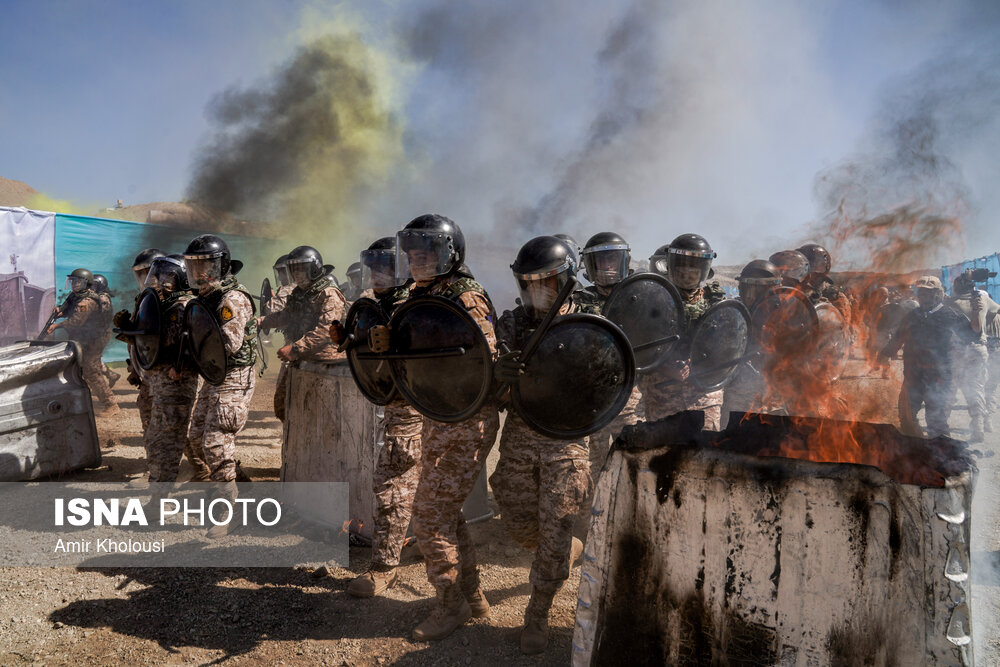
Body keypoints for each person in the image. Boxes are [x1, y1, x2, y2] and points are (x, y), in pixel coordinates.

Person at [369, 214, 500, 641]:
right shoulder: (416, 295)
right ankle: (472, 594)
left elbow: (486, 361)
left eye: (426, 254)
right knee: (447, 514)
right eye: (411, 255)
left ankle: (450, 605)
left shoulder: (467, 296)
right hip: (437, 416)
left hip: (467, 418)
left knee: (426, 518)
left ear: (449, 254)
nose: (417, 262)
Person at [489, 236, 590, 654]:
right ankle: (566, 548)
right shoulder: (512, 324)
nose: (539, 293)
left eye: (548, 284)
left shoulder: (590, 324)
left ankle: (539, 611)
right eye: (530, 285)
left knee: (557, 523)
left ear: (565, 280)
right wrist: (501, 373)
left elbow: (609, 382)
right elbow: (488, 389)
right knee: (513, 510)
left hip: (566, 439)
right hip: (521, 433)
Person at [343, 237, 424, 599]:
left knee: (391, 485)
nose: (376, 274)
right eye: (372, 266)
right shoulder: (380, 304)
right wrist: (351, 339)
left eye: (385, 267)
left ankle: (383, 568)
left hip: (412, 406)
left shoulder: (413, 305)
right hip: (398, 403)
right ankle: (423, 539)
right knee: (420, 483)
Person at [183, 234, 258, 538]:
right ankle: (244, 493)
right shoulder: (205, 298)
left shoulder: (232, 299)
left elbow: (229, 343)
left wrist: (190, 348)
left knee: (215, 442)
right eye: (194, 266)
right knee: (196, 436)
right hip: (215, 375)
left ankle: (227, 511)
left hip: (234, 376)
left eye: (206, 266)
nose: (199, 272)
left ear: (222, 266)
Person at [640, 233, 727, 428]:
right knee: (666, 453)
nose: (687, 273)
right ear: (671, 265)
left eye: (693, 267)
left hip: (706, 394)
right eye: (682, 267)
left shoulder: (716, 303)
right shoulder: (651, 301)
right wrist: (663, 367)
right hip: (663, 395)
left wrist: (701, 361)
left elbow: (728, 348)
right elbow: (638, 347)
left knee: (707, 452)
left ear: (704, 269)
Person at [573, 232, 643, 472]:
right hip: (592, 399)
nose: (607, 266)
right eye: (601, 261)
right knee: (594, 465)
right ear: (591, 266)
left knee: (634, 459)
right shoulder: (578, 301)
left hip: (629, 396)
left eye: (612, 259)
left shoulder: (640, 296)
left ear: (623, 261)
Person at [878, 276, 975, 438]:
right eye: (921, 292)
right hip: (912, 376)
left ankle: (942, 453)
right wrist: (884, 354)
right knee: (906, 415)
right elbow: (898, 338)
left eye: (928, 292)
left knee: (936, 420)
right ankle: (915, 446)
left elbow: (970, 336)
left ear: (938, 294)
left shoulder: (950, 315)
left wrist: (977, 314)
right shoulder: (912, 315)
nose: (923, 295)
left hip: (938, 378)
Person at [258, 245, 346, 422]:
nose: (297, 274)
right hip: (302, 357)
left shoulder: (329, 294)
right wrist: (262, 322)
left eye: (301, 269)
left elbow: (326, 330)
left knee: (317, 413)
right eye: (294, 270)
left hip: (324, 363)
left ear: (314, 268)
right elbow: (286, 316)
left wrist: (296, 348)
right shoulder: (299, 294)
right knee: (284, 406)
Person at [140, 255, 200, 482]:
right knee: (159, 439)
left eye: (167, 275)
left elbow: (180, 343)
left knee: (168, 443)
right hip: (160, 381)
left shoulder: (185, 305)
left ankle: (159, 502)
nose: (159, 280)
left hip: (177, 381)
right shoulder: (161, 302)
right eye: (158, 274)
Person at [48, 268, 119, 415]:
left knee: (91, 370)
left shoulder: (87, 301)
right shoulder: (77, 296)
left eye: (78, 281)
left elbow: (75, 322)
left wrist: (57, 325)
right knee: (83, 365)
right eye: (72, 281)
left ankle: (110, 404)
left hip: (96, 338)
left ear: (86, 283)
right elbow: (69, 309)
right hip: (87, 336)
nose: (74, 284)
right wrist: (61, 311)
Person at [721, 259, 782, 426]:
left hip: (775, 393)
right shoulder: (732, 314)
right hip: (740, 393)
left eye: (761, 290)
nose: (754, 297)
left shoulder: (785, 316)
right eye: (750, 290)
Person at [947, 272, 991, 442]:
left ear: (956, 287)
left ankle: (940, 426)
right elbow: (996, 311)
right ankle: (979, 426)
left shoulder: (950, 303)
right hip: (979, 350)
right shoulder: (983, 300)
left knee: (950, 387)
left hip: (958, 350)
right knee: (976, 388)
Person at [91, 273, 121, 389]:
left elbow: (102, 316)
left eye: (94, 285)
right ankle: (111, 375)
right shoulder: (97, 297)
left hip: (100, 332)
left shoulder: (102, 298)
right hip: (97, 332)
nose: (91, 288)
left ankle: (104, 386)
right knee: (92, 358)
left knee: (92, 360)